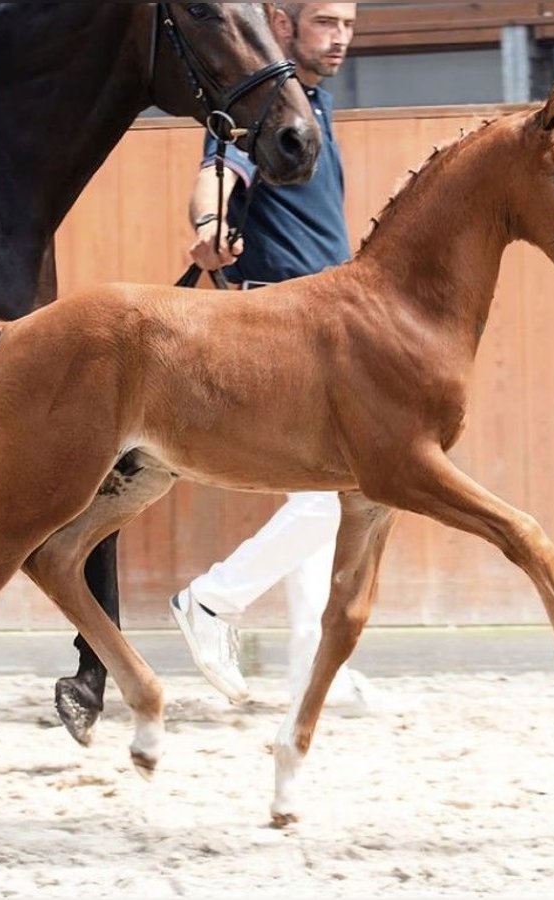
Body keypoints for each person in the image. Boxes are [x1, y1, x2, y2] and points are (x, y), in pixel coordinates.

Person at [169, 2, 381, 713]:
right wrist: (208, 228)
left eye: (348, 23)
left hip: (324, 322)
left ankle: (311, 667)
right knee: (344, 488)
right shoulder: (264, 110)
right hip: (279, 321)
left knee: (324, 495)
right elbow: (217, 177)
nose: (341, 36)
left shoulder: (311, 104)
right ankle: (210, 601)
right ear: (282, 27)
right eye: (326, 21)